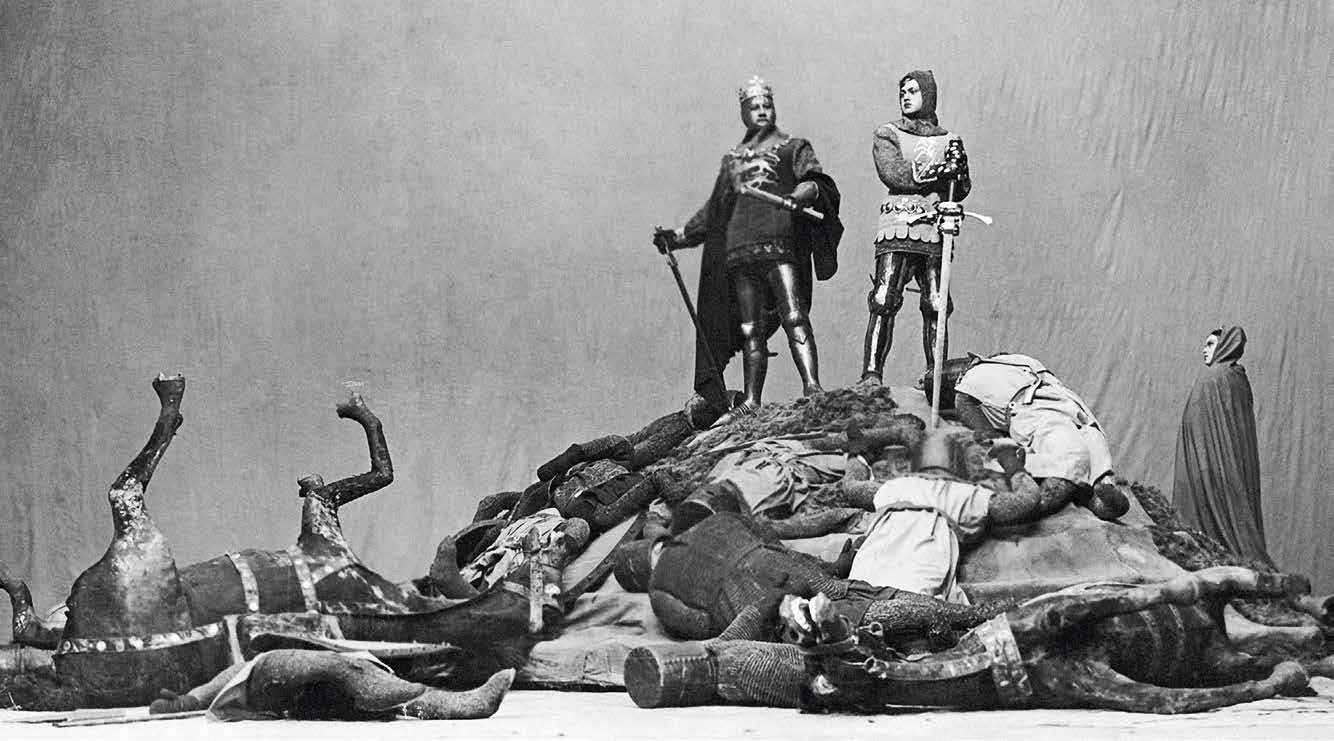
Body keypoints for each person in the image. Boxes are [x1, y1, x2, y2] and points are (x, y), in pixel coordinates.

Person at [656, 76, 843, 422]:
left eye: (766, 105)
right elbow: (713, 212)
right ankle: (752, 400)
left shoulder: (792, 148)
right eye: (754, 106)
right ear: (744, 112)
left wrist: (799, 194)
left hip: (779, 242)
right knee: (750, 328)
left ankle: (812, 387)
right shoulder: (733, 161)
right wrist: (678, 236)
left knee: (794, 315)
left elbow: (815, 182)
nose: (761, 111)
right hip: (740, 251)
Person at [860, 70, 970, 385]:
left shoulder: (949, 139)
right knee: (884, 299)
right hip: (898, 224)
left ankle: (936, 376)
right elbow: (894, 173)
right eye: (903, 92)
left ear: (928, 94)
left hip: (936, 226)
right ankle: (871, 375)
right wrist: (940, 170)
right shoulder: (888, 133)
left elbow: (960, 189)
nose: (906, 97)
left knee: (936, 303)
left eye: (913, 91)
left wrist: (959, 172)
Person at [952, 352, 1129, 519]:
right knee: (1073, 453)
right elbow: (965, 406)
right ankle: (1031, 505)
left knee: (1093, 439)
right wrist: (996, 441)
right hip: (1033, 408)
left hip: (1066, 399)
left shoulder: (1008, 359)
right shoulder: (969, 381)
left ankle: (1102, 491)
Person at [1173, 327, 1275, 568]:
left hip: (1208, 469)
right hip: (1230, 470)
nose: (1204, 350)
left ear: (1225, 345)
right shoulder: (1238, 379)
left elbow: (1201, 433)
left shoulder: (1212, 379)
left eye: (1210, 344)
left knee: (1203, 525)